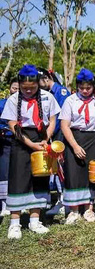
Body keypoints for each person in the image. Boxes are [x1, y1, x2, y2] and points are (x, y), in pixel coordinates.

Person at [1, 65, 61, 239]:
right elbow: (13, 125)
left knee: (40, 178)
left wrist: (46, 138)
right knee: (18, 178)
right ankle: (15, 223)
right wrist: (31, 144)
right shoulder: (14, 99)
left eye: (32, 87)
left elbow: (52, 119)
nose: (28, 90)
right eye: (24, 88)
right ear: (19, 84)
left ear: (37, 84)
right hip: (21, 140)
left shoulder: (47, 97)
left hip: (41, 137)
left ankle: (35, 220)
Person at [59, 69, 95, 224]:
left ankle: (89, 209)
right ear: (77, 86)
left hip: (93, 138)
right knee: (73, 174)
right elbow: (65, 125)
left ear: (94, 86)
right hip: (74, 137)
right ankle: (73, 211)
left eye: (89, 88)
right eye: (82, 88)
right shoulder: (70, 101)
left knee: (91, 174)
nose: (85, 91)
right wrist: (74, 146)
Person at [39, 68, 69, 217]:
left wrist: (49, 131)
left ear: (45, 78)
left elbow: (62, 117)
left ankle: (65, 201)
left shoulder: (61, 92)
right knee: (55, 168)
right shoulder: (47, 94)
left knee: (61, 168)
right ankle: (60, 199)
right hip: (52, 134)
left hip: (60, 135)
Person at [0, 79, 20, 216]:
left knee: (19, 171)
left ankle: (21, 202)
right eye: (14, 88)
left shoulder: (26, 105)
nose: (16, 91)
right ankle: (4, 203)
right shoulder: (2, 103)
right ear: (9, 89)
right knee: (5, 171)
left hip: (22, 142)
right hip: (5, 141)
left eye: (19, 89)